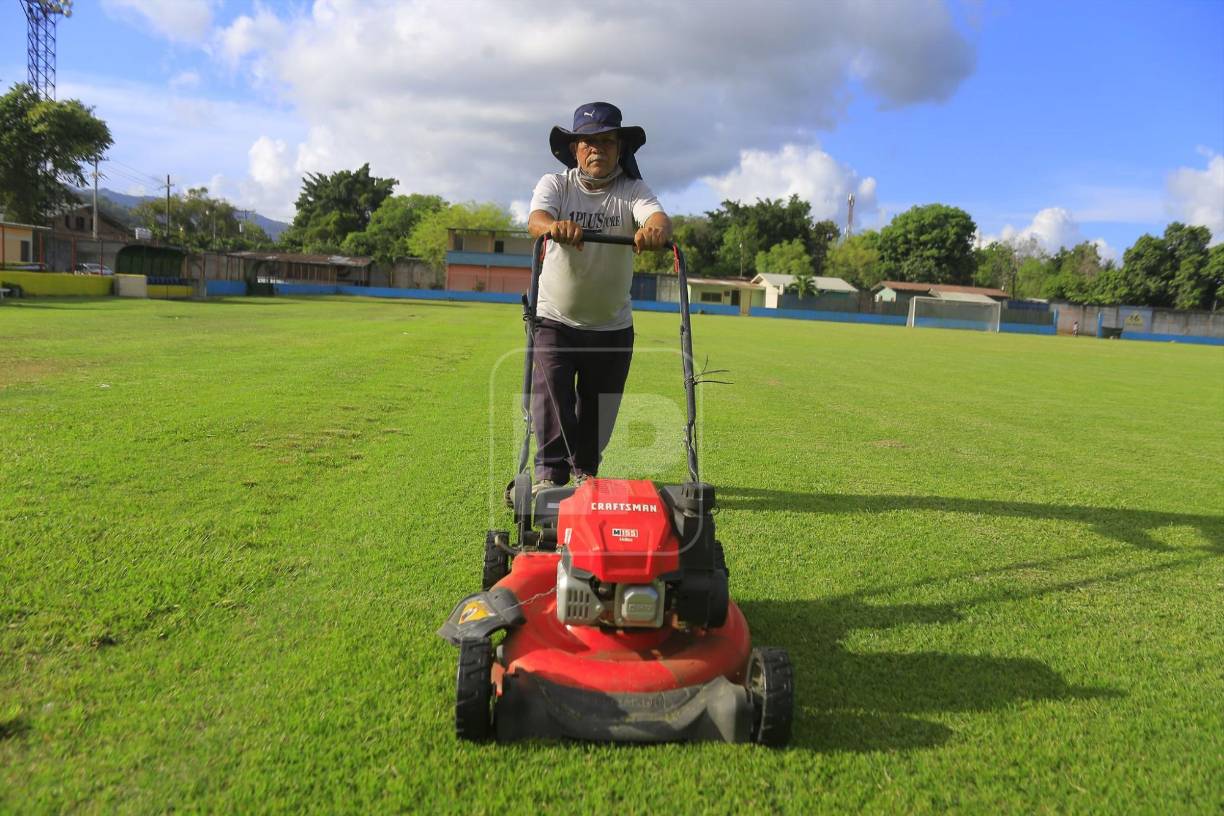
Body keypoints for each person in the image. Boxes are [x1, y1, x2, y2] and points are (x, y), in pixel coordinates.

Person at [526, 102, 672, 491]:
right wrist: (555, 226)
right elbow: (536, 221)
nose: (597, 149)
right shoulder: (556, 185)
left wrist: (654, 231)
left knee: (597, 411)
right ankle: (549, 477)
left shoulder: (633, 190)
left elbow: (657, 218)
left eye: (606, 141)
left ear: (619, 148)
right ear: (574, 149)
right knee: (552, 398)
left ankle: (585, 476)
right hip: (554, 317)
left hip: (612, 325)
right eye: (588, 142)